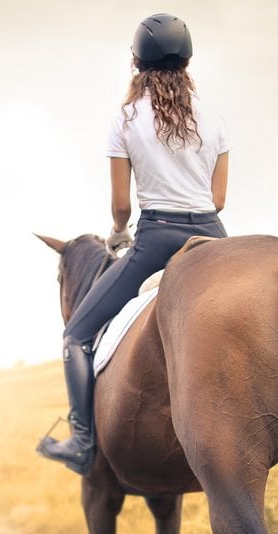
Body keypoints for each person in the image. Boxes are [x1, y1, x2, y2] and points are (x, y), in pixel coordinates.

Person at [37, 13, 230, 475]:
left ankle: (83, 443)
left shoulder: (125, 120)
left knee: (77, 336)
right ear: (187, 63)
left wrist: (119, 232)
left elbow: (121, 206)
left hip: (156, 239)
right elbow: (218, 201)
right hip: (213, 237)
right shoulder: (214, 119)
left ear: (135, 64)